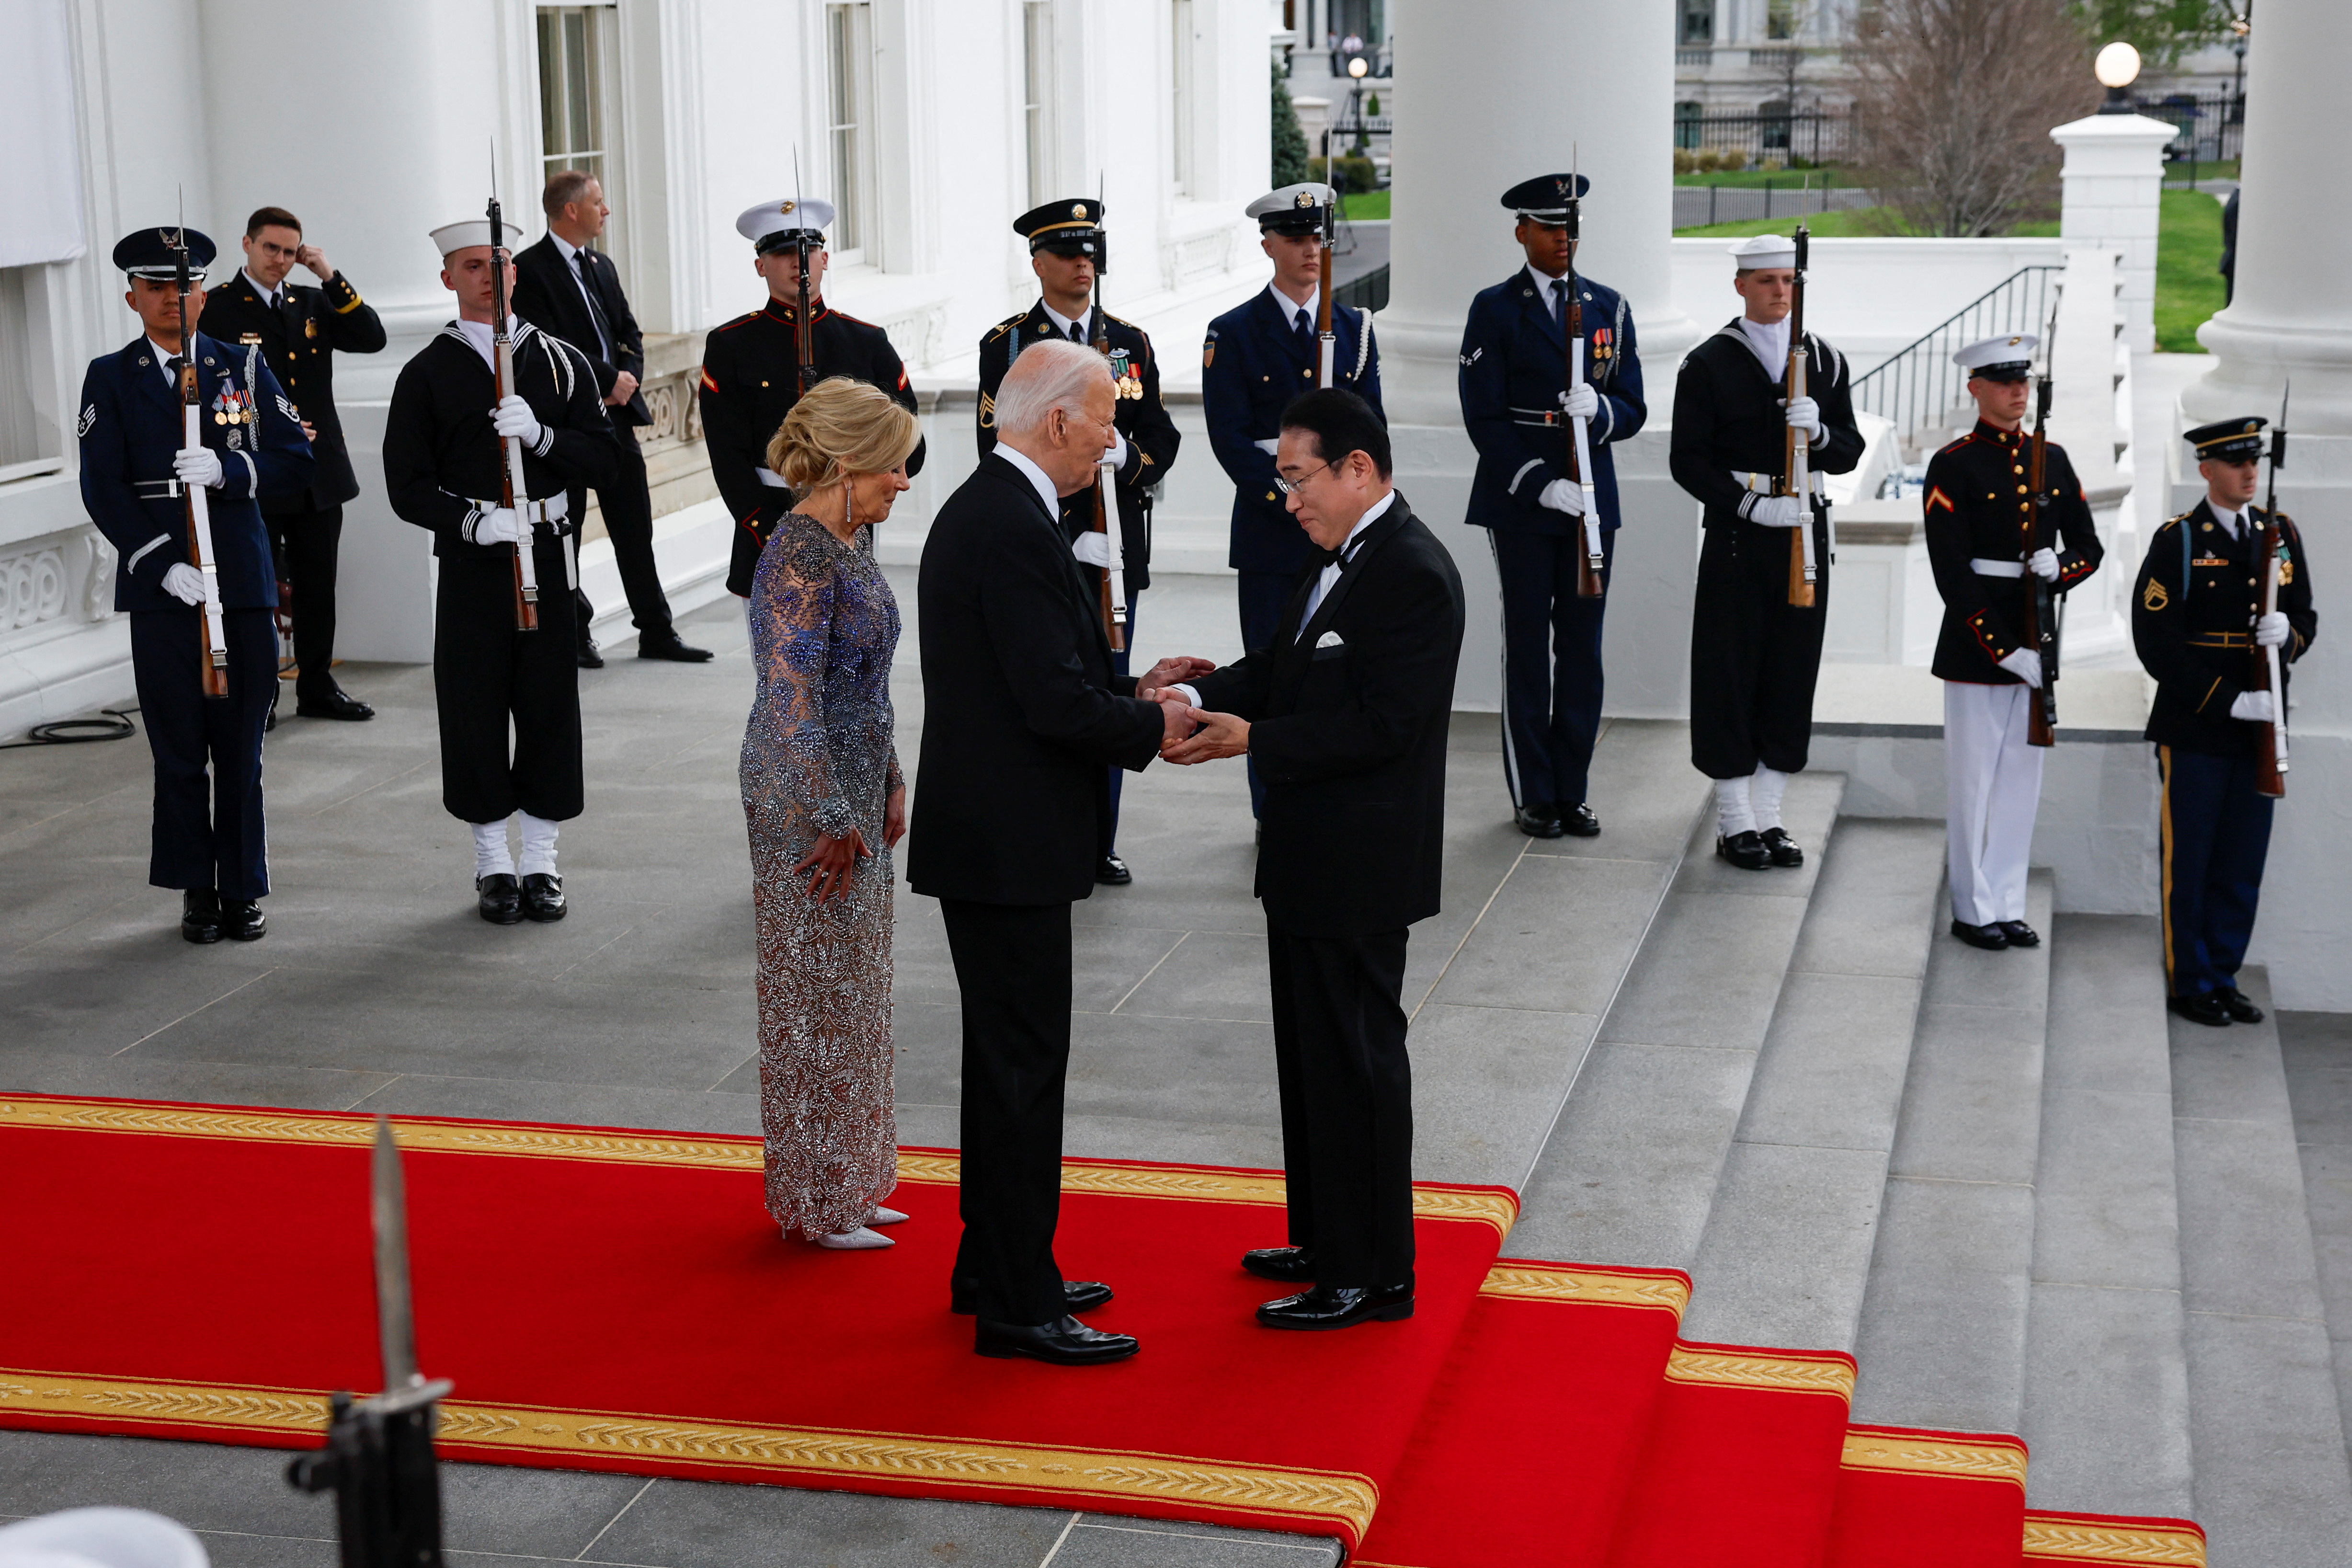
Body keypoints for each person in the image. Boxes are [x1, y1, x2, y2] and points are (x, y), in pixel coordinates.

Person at [906, 340, 1210, 1367]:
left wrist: (1131, 690)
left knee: (1007, 1063)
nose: (1114, 437)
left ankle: (993, 1263)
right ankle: (1019, 1303)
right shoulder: (1008, 521)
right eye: (1103, 416)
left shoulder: (1003, 508)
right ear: (1056, 425)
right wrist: (1153, 725)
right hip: (1007, 840)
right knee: (1023, 1068)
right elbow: (1045, 703)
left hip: (1001, 833)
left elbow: (1038, 675)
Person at [1159, 388, 1466, 1331]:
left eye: (1299, 478)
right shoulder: (1334, 556)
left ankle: (1371, 1272)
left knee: (1358, 1063)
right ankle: (1326, 1231)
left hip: (1361, 860)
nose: (1287, 497)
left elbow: (1385, 723)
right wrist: (1203, 683)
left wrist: (1254, 741)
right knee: (1309, 1057)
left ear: (1359, 470)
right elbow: (1290, 669)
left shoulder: (1411, 570)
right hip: (1308, 857)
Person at [79, 226, 313, 943]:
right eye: (156, 288)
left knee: (241, 746)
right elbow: (102, 485)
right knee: (179, 749)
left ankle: (242, 886)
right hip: (164, 592)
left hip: (238, 583)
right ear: (132, 297)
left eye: (184, 287)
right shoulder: (111, 377)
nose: (172, 300)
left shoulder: (241, 367)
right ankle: (195, 889)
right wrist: (158, 561)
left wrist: (231, 472)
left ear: (203, 292)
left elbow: (293, 456)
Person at [383, 218, 617, 925]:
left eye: (500, 262)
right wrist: (470, 520)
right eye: (472, 264)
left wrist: (543, 437)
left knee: (547, 703)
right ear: (449, 278)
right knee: (475, 704)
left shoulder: (562, 363)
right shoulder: (427, 373)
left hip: (546, 550)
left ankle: (542, 860)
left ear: (516, 273)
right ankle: (493, 862)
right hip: (474, 559)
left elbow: (607, 460)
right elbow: (406, 484)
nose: (490, 274)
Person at [742, 378, 921, 1250]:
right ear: (848, 462)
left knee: (855, 988)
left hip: (850, 785)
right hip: (801, 794)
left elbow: (865, 686)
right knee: (813, 995)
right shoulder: (801, 558)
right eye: (893, 464)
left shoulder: (849, 540)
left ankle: (852, 1177)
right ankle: (813, 1201)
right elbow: (789, 701)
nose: (903, 481)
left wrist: (887, 778)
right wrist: (830, 813)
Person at [976, 196, 1183, 886]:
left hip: (1115, 554)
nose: (1082, 265)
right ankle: (1067, 824)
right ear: (1038, 263)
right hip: (1051, 546)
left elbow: (1160, 436)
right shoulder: (1006, 346)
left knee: (1111, 689)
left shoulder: (1130, 342)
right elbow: (999, 448)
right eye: (1068, 253)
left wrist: (1125, 457)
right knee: (1058, 690)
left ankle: (1103, 836)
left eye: (1090, 252)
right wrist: (1064, 534)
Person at [1458, 172, 1647, 840]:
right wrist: (1538, 480)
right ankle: (1533, 790)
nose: (1562, 239)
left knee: (1583, 649)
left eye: (1569, 228)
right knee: (1529, 649)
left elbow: (1633, 406)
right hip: (1523, 499)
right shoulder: (1494, 308)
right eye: (1548, 228)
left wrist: (1600, 412)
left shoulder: (1607, 307)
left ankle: (1572, 788)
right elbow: (1481, 414)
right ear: (1521, 232)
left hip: (1591, 500)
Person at [1670, 232, 1863, 870]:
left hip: (1803, 528)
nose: (1779, 292)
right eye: (1766, 282)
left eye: (1788, 282)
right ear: (1740, 287)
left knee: (1790, 667)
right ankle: (1733, 816)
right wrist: (1748, 505)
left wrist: (1821, 430)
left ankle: (1770, 812)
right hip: (1739, 531)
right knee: (1729, 669)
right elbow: (1688, 460)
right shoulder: (1708, 363)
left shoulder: (1826, 361)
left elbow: (1849, 452)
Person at [1203, 182, 1382, 819]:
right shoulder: (1232, 333)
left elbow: (1372, 432)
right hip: (1272, 532)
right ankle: (1271, 809)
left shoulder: (1354, 330)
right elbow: (1228, 438)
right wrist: (1296, 494)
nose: (1312, 251)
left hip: (1344, 539)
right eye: (1298, 239)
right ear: (1268, 244)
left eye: (1319, 239)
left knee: (1339, 671)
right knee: (1275, 675)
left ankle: (1325, 798)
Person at [2132, 417, 2316, 1026]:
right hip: (2196, 727)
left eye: (2253, 462)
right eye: (2234, 462)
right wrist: (2225, 700)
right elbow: (2155, 643)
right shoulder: (2179, 541)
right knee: (2190, 861)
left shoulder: (2279, 533)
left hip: (2259, 727)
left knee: (2240, 861)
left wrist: (2287, 634)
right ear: (2206, 469)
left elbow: (2305, 618)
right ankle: (2189, 981)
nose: (2247, 473)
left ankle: (2222, 973)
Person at [1924, 334, 2104, 951]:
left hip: (2037, 632)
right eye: (2002, 381)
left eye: (2022, 380)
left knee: (2018, 785)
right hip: (1981, 646)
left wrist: (2064, 568)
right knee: (1973, 780)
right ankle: (1971, 908)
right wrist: (2001, 648)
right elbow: (1951, 570)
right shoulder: (1954, 462)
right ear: (1975, 388)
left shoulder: (2051, 458)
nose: (2016, 391)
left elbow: (2089, 547)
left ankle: (2005, 900)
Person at [512, 170, 712, 668]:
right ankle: (574, 634)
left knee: (633, 528)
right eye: (598, 203)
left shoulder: (600, 264)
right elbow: (545, 342)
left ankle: (656, 630)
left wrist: (629, 376)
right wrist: (606, 379)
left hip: (617, 419)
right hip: (565, 424)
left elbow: (629, 331)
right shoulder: (529, 270)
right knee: (569, 533)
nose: (606, 211)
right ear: (571, 211)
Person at [200, 205, 386, 722]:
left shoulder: (311, 300)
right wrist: (264, 433)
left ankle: (317, 685)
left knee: (318, 582)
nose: (279, 260)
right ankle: (260, 692)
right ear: (247, 244)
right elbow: (206, 389)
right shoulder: (217, 308)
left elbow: (372, 337)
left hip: (317, 472)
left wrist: (328, 275)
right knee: (257, 588)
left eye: (289, 252)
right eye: (270, 249)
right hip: (256, 470)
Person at [702, 197, 924, 602]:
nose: (798, 263)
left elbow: (911, 443)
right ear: (760, 266)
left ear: (824, 259)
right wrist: (776, 534)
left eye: (807, 252)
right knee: (780, 662)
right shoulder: (731, 346)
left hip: (852, 528)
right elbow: (728, 458)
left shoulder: (866, 342)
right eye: (783, 253)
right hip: (769, 527)